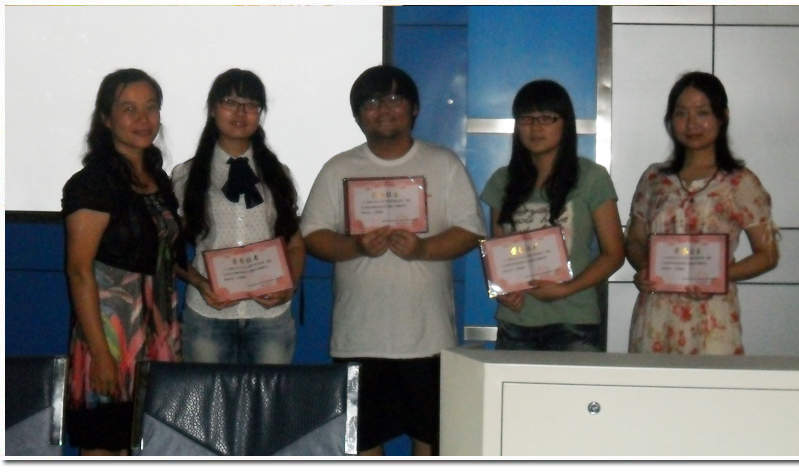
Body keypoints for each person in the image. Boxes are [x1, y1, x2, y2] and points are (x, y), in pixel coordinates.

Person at [300, 65, 485, 456]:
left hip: (427, 338)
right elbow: (312, 235)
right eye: (371, 101)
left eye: (394, 99)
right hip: (358, 335)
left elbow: (471, 231)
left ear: (414, 108)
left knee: (431, 443)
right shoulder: (338, 168)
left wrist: (422, 250)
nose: (383, 108)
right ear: (357, 115)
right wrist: (356, 247)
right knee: (363, 444)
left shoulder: (443, 163)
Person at [62, 68, 183, 455]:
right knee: (104, 448)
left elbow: (163, 254)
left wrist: (202, 282)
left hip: (158, 333)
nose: (143, 119)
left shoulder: (157, 179)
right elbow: (79, 271)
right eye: (129, 108)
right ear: (106, 118)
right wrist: (100, 354)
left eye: (151, 107)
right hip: (112, 336)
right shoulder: (92, 183)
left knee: (151, 450)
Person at [625, 71, 779, 355]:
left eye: (703, 112)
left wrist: (718, 275)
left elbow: (767, 255)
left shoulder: (741, 182)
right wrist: (644, 267)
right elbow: (634, 240)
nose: (691, 123)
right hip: (656, 316)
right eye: (681, 113)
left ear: (723, 116)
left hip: (712, 319)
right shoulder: (654, 178)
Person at [479, 79, 625, 351]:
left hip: (574, 321)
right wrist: (505, 291)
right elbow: (499, 254)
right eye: (526, 118)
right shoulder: (502, 180)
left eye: (547, 118)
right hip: (516, 320)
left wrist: (566, 289)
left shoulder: (591, 177)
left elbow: (614, 254)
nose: (535, 127)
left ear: (565, 124)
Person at [172, 69, 304, 365]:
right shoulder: (186, 175)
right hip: (208, 314)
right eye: (230, 102)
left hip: (270, 317)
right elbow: (170, 249)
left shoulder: (278, 174)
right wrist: (201, 284)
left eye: (251, 104)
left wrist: (289, 287)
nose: (241, 112)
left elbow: (295, 244)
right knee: (206, 395)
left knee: (268, 395)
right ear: (212, 109)